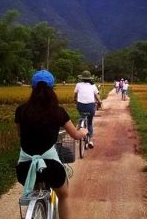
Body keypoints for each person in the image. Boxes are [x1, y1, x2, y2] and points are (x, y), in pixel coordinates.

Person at [15, 70, 88, 219]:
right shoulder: (58, 112)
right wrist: (84, 131)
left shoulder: (21, 111)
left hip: (24, 169)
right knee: (64, 196)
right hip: (51, 167)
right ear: (52, 89)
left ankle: (35, 206)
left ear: (33, 88)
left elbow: (20, 135)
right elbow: (75, 135)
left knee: (36, 186)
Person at [74, 70, 102, 148]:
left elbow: (75, 95)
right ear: (90, 78)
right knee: (89, 123)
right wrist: (99, 102)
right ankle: (90, 140)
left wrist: (75, 100)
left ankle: (80, 126)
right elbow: (97, 96)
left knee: (82, 116)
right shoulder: (93, 86)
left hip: (80, 106)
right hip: (90, 106)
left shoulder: (78, 84)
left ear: (82, 78)